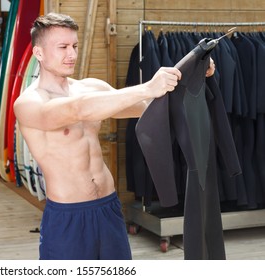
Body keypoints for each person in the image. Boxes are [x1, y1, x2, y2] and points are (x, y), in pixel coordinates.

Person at [14, 12, 215, 260]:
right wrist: (147, 86)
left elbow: (145, 106)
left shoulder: (92, 87)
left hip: (108, 207)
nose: (72, 54)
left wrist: (191, 76)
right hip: (68, 217)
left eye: (75, 46)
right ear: (39, 53)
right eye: (63, 47)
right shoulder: (29, 103)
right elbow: (77, 109)